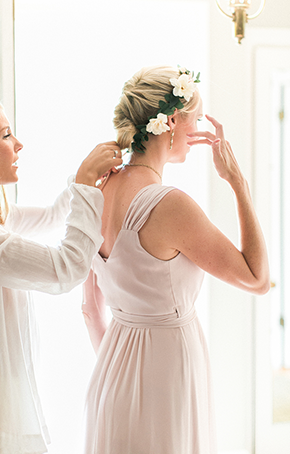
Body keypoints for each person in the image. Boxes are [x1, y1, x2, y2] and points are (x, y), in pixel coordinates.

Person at [81, 65, 270, 454]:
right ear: (169, 123)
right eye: (196, 119)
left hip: (110, 374)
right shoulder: (169, 205)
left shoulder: (97, 191)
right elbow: (257, 279)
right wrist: (238, 183)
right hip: (167, 378)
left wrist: (120, 370)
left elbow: (89, 308)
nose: (199, 131)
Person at [0, 96, 123, 454]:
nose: (18, 144)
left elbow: (55, 217)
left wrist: (85, 179)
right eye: (6, 135)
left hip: (0, 396)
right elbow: (65, 270)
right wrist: (84, 183)